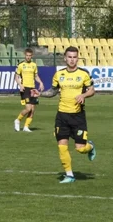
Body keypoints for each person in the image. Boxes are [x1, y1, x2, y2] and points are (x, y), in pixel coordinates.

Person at [39, 46, 96, 183]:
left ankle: (91, 147)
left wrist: (84, 95)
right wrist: (40, 93)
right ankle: (69, 175)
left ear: (77, 58)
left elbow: (92, 90)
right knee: (62, 146)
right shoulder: (59, 75)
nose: (72, 60)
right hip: (62, 116)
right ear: (65, 58)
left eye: (74, 57)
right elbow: (53, 91)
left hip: (78, 116)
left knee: (80, 149)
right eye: (69, 57)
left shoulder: (84, 73)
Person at [14, 48, 44, 133]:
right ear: (25, 55)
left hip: (33, 89)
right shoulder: (20, 65)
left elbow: (36, 76)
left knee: (33, 109)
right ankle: (18, 120)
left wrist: (41, 83)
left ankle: (26, 127)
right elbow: (16, 77)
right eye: (27, 55)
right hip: (25, 89)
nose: (28, 57)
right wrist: (20, 85)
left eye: (29, 56)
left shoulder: (34, 65)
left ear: (32, 56)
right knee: (28, 108)